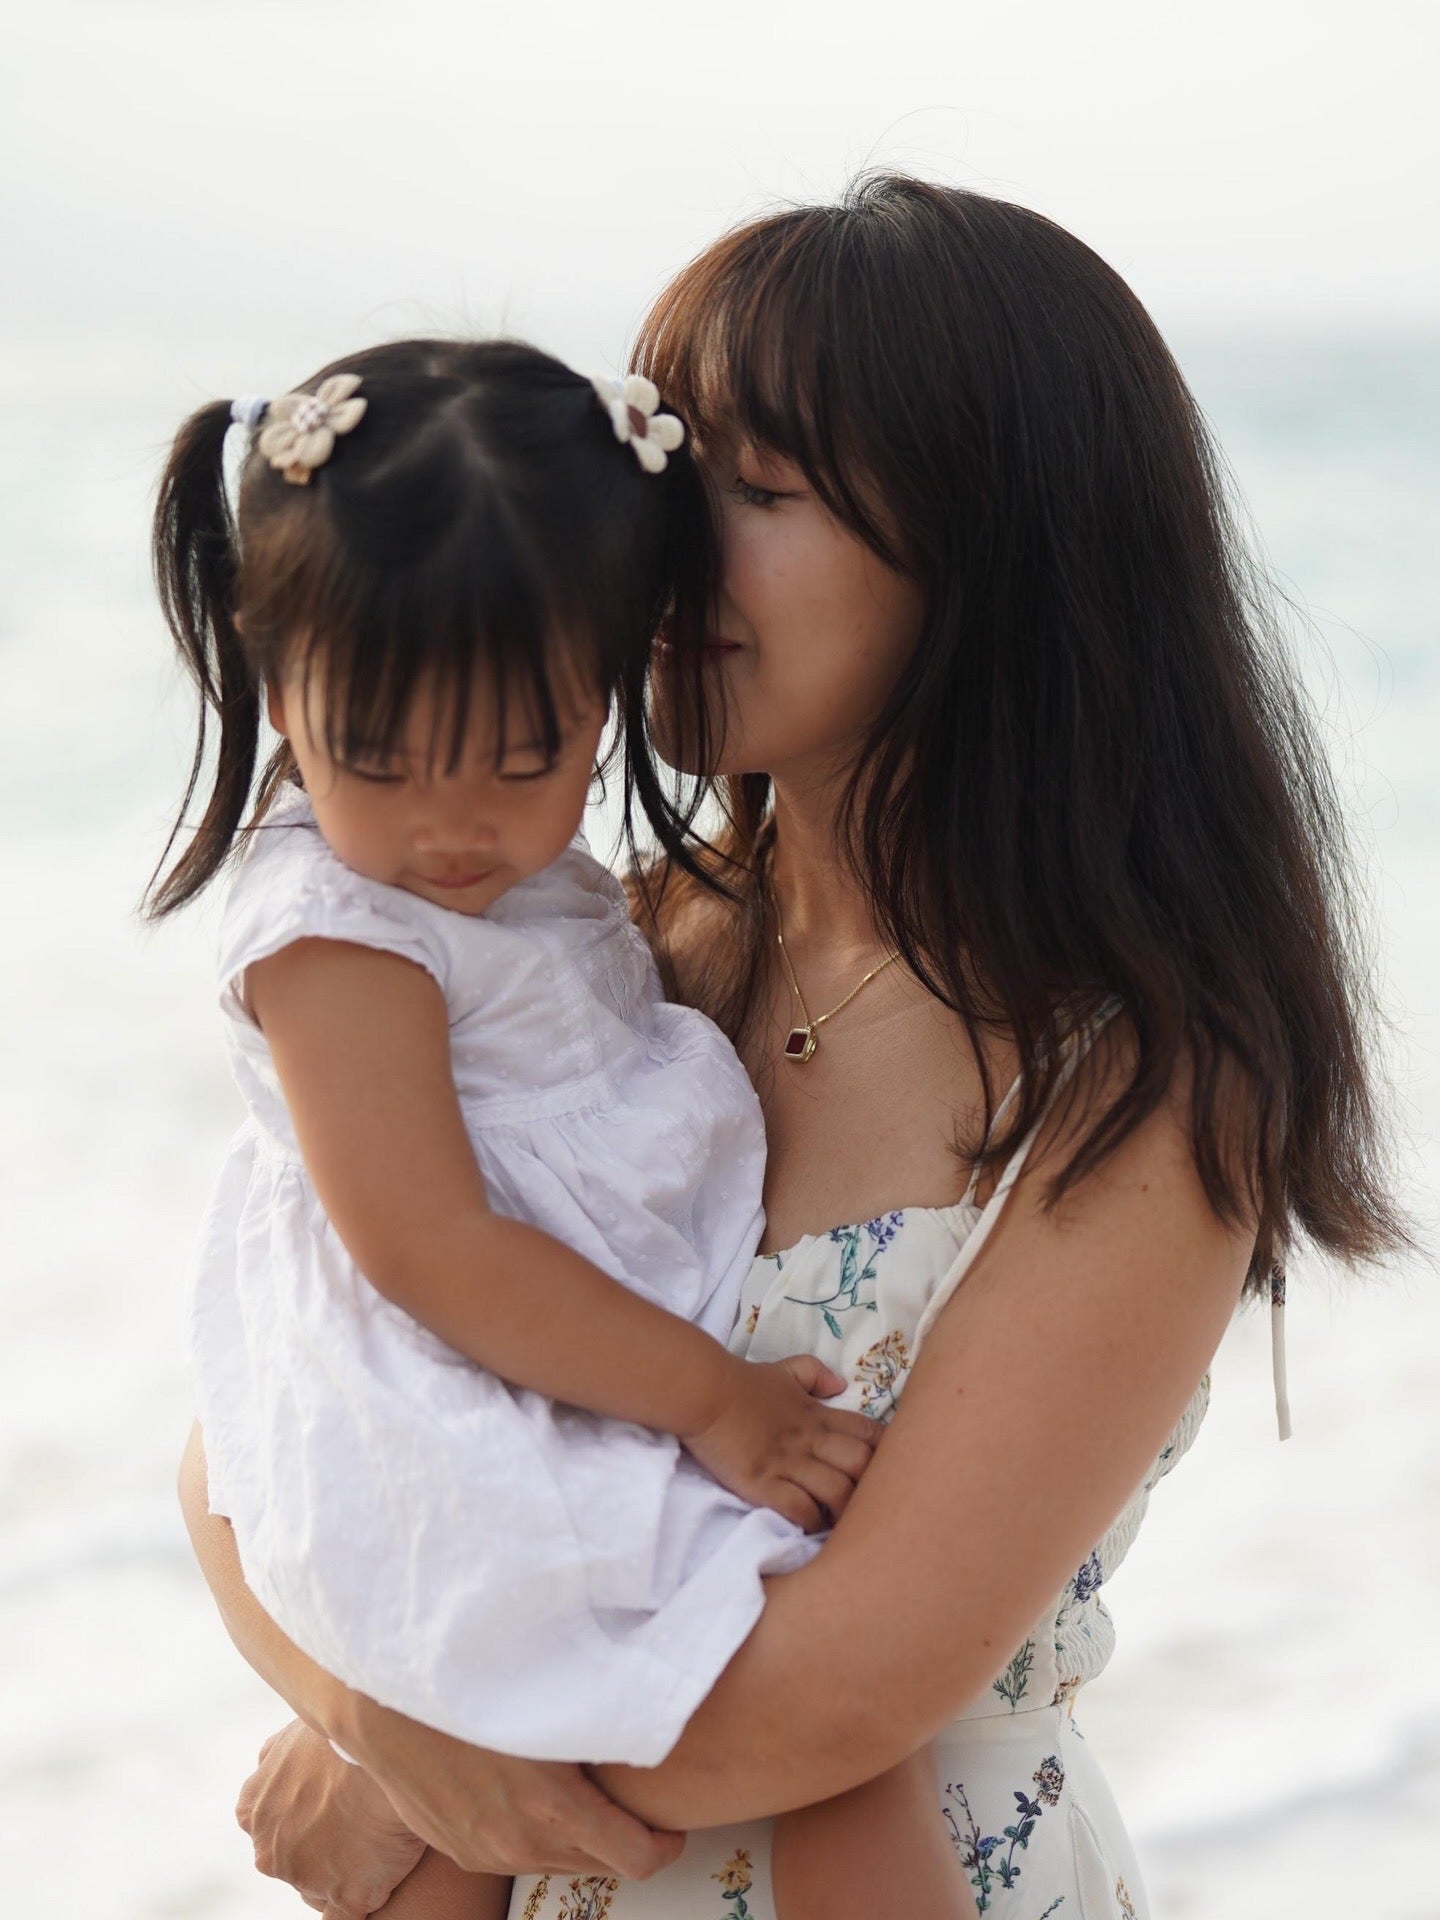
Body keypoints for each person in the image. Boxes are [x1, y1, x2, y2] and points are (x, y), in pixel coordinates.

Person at [178, 177, 1408, 1920]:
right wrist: (357, 1696)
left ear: (991, 552)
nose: (666, 557)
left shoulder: (1131, 1079)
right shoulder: (589, 951)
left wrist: (411, 1738)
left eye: (757, 494)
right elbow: (264, 1401)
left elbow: (840, 1691)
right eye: (668, 479)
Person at [149, 334, 989, 1918]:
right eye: (379, 761)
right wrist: (716, 1405)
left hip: (536, 1363)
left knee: (588, 1791)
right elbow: (428, 1247)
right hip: (455, 1388)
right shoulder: (338, 931)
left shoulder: (573, 897)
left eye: (525, 760)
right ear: (278, 688)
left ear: (611, 676)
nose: (453, 829)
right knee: (786, 1733)